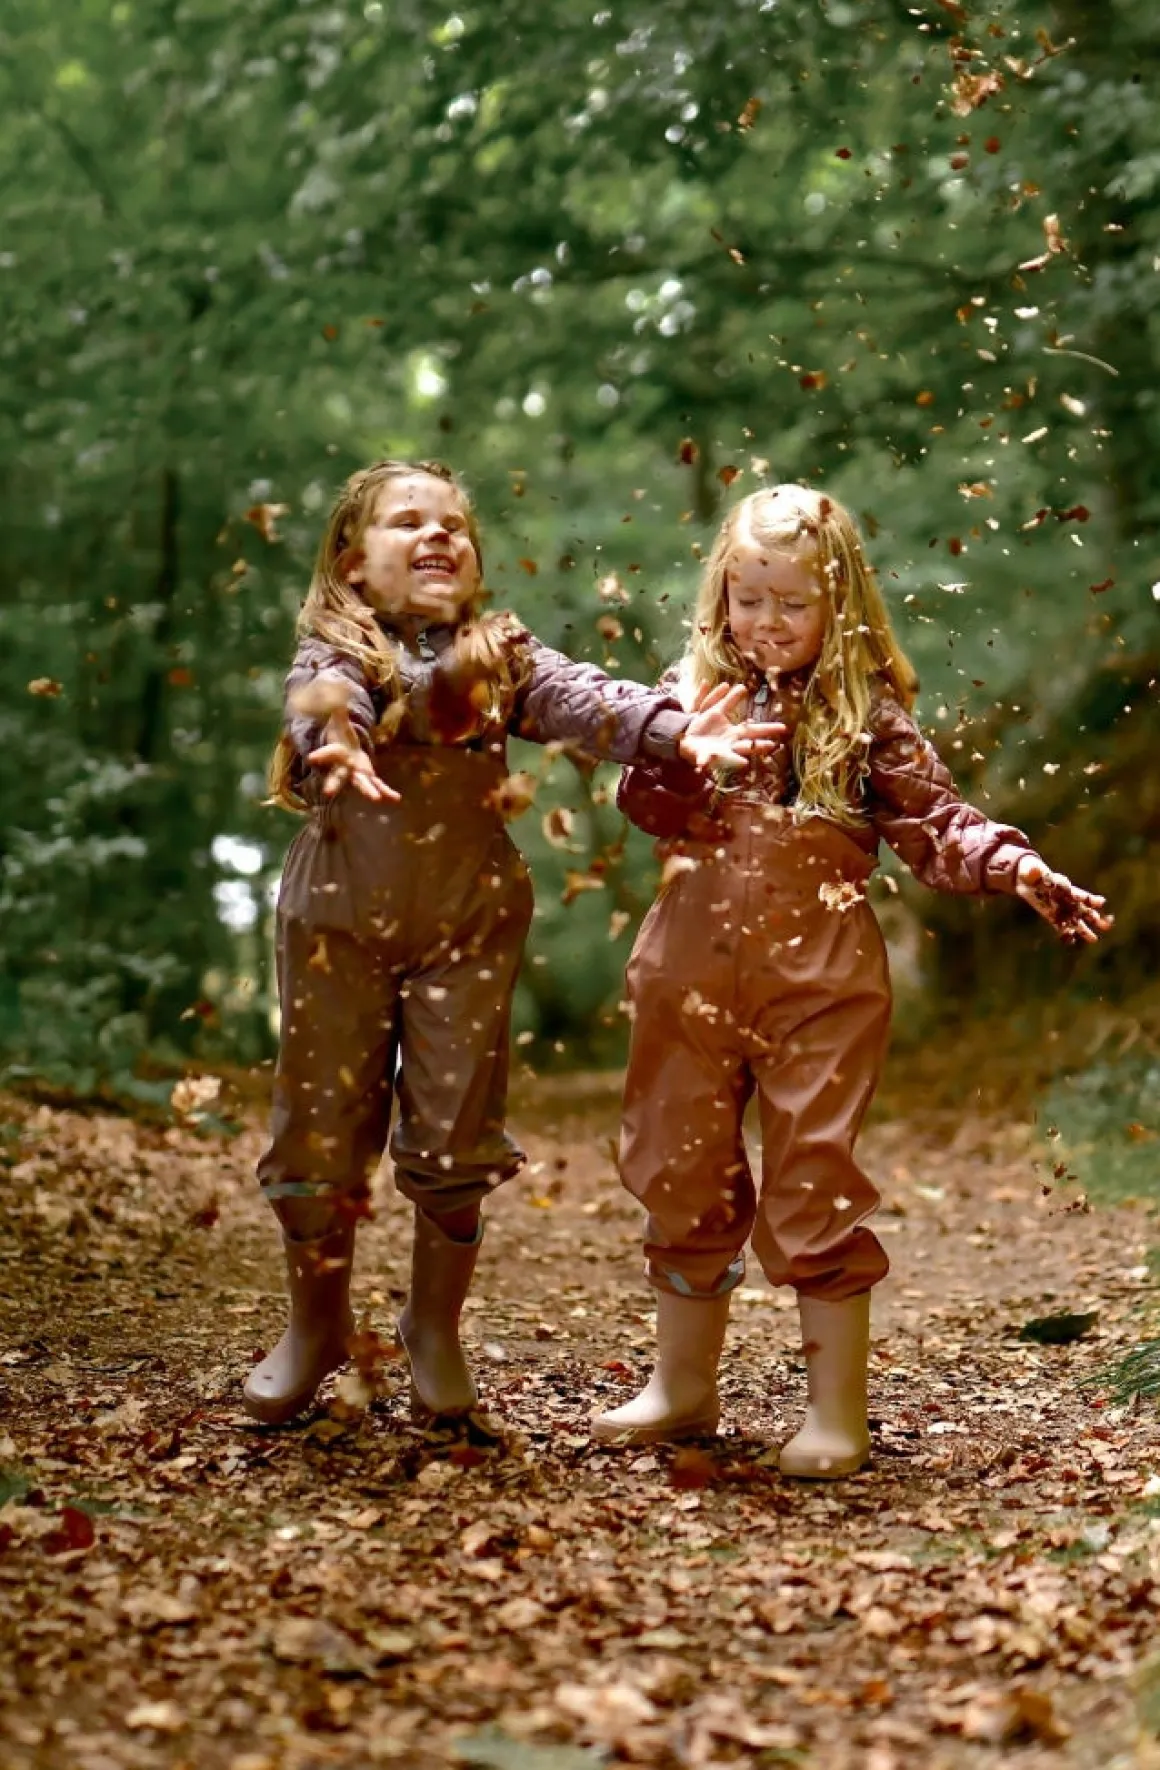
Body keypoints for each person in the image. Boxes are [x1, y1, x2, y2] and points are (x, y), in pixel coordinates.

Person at [242, 457, 780, 1427]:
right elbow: (325, 701)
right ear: (353, 562)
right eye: (408, 521)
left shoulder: (499, 656)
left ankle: (432, 1330)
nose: (438, 535)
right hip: (336, 921)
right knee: (319, 1131)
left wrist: (668, 730)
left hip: (467, 923)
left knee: (454, 1130)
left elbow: (580, 696)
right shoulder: (336, 651)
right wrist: (337, 741)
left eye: (454, 523)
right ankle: (313, 1327)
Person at [591, 483, 1111, 1475]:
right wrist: (674, 753)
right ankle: (681, 1387)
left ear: (838, 609)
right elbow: (640, 802)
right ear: (720, 599)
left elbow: (935, 826)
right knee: (677, 1159)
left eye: (791, 602)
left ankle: (833, 1414)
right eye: (748, 599)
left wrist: (1011, 864)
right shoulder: (689, 689)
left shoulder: (865, 718)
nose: (766, 622)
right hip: (688, 966)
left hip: (819, 976)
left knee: (813, 1175)